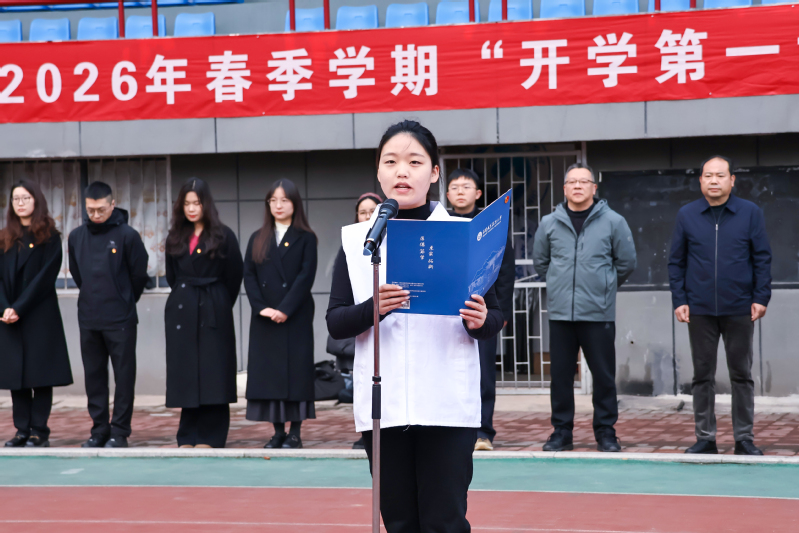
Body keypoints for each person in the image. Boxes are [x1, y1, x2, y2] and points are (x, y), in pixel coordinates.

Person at [327, 120, 504, 533]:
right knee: (400, 521)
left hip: (447, 404)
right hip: (385, 406)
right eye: (390, 162)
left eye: (414, 162)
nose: (402, 171)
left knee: (445, 521)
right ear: (378, 172)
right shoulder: (359, 242)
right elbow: (336, 322)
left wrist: (479, 321)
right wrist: (374, 308)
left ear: (435, 172)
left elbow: (494, 316)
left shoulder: (464, 235)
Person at [668, 156, 771, 456]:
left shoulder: (750, 213)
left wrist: (761, 297)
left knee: (741, 374)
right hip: (699, 309)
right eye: (708, 175)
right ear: (700, 180)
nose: (714, 180)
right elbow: (676, 262)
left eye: (720, 175)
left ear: (732, 180)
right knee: (702, 376)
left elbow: (762, 257)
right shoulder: (687, 214)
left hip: (740, 307)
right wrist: (680, 300)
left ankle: (744, 439)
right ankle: (705, 438)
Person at [532, 163, 636, 453]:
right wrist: (559, 285)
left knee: (603, 376)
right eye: (572, 182)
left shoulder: (613, 221)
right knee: (561, 377)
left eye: (583, 181)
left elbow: (626, 262)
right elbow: (541, 262)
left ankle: (606, 433)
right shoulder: (549, 223)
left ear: (594, 187)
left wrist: (604, 286)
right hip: (561, 313)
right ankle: (561, 432)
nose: (577, 186)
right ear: (564, 188)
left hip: (598, 312)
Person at [68, 181, 149, 448]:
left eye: (101, 209)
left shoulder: (128, 236)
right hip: (89, 317)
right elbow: (78, 275)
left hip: (120, 318)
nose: (96, 215)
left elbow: (138, 275)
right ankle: (99, 429)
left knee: (124, 377)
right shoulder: (76, 237)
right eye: (91, 210)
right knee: (94, 377)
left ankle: (120, 431)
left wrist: (124, 299)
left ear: (112, 205)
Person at [164, 178, 243, 449]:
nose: (191, 208)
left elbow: (234, 275)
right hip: (183, 310)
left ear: (205, 204)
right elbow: (172, 276)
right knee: (187, 373)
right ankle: (187, 434)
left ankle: (211, 435)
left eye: (196, 203)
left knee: (213, 373)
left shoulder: (223, 235)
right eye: (186, 203)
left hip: (213, 307)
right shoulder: (175, 236)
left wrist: (217, 302)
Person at [244, 179, 318, 449]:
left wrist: (285, 309)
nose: (278, 205)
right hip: (265, 317)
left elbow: (305, 277)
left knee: (296, 374)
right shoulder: (257, 237)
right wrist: (261, 307)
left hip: (295, 315)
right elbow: (249, 276)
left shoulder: (306, 238)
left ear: (295, 204)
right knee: (271, 375)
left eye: (284, 200)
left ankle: (295, 432)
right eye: (273, 200)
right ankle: (277, 432)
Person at [446, 169, 515, 451]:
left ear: (478, 194)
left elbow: (506, 271)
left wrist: (502, 313)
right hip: (447, 309)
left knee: (484, 372)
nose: (460, 191)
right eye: (454, 187)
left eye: (466, 187)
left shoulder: (492, 225)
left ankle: (483, 432)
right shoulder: (441, 224)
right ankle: (450, 428)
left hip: (483, 310)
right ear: (447, 194)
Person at [1, 180, 72, 448]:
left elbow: (45, 279)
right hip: (9, 316)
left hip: (39, 314)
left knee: (41, 375)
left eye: (25, 198)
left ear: (36, 200)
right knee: (16, 376)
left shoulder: (50, 237)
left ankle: (39, 431)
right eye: (15, 199)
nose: (20, 203)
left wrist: (19, 307)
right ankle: (21, 430)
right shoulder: (4, 237)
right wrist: (4, 307)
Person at [326, 192, 383, 451]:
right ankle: (366, 430)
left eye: (373, 211)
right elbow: (336, 314)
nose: (368, 216)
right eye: (363, 212)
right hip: (360, 331)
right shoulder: (350, 245)